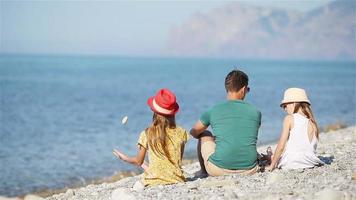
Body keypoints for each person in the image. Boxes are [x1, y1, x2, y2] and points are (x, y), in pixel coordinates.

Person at [190, 69, 262, 177]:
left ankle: (203, 171)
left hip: (217, 169)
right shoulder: (256, 112)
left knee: (205, 134)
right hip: (250, 169)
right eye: (248, 89)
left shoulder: (214, 110)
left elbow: (194, 132)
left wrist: (215, 139)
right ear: (243, 89)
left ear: (227, 89)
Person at [113, 88, 189, 186]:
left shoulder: (147, 133)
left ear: (155, 112)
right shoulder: (181, 132)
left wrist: (125, 158)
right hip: (177, 180)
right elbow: (176, 162)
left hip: (153, 181)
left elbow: (138, 161)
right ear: (173, 113)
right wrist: (146, 165)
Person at [266, 88, 324, 171]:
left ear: (294, 103)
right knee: (279, 156)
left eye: (285, 106)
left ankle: (270, 156)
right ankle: (270, 156)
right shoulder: (313, 122)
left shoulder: (289, 118)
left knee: (274, 158)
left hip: (291, 163)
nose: (284, 109)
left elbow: (281, 146)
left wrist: (272, 165)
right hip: (310, 162)